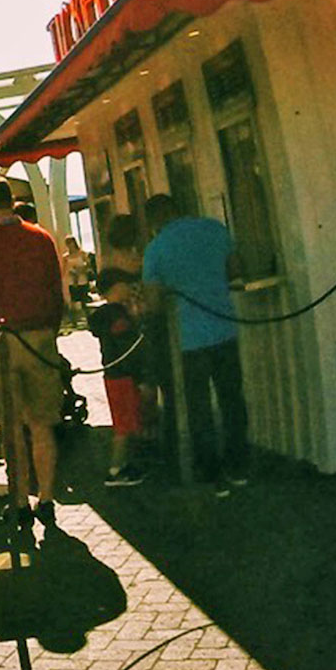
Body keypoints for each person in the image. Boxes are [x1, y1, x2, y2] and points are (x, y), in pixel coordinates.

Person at [0, 176, 69, 533]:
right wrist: (49, 330)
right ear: (12, 200)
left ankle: (20, 501)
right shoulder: (41, 239)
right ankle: (49, 499)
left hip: (1, 342)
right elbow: (57, 292)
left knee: (11, 428)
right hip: (39, 339)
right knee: (42, 423)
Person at [140, 192, 250, 494]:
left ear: (154, 220)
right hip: (225, 328)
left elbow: (153, 303)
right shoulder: (214, 228)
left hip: (188, 338)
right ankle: (239, 465)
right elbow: (235, 269)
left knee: (199, 407)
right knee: (232, 399)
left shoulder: (156, 248)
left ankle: (212, 473)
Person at [89, 268, 146, 487]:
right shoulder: (118, 316)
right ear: (115, 288)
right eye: (125, 284)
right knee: (124, 426)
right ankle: (115, 470)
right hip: (123, 376)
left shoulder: (107, 315)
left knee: (125, 422)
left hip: (113, 375)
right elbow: (128, 347)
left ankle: (124, 466)